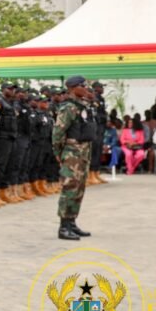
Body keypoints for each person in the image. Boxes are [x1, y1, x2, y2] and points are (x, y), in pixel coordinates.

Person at [52, 76, 95, 241]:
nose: (85, 88)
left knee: (79, 189)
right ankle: (63, 227)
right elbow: (58, 133)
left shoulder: (81, 105)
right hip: (72, 152)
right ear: (72, 87)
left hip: (83, 152)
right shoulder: (68, 108)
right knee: (69, 188)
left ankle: (71, 222)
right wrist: (59, 153)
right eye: (82, 85)